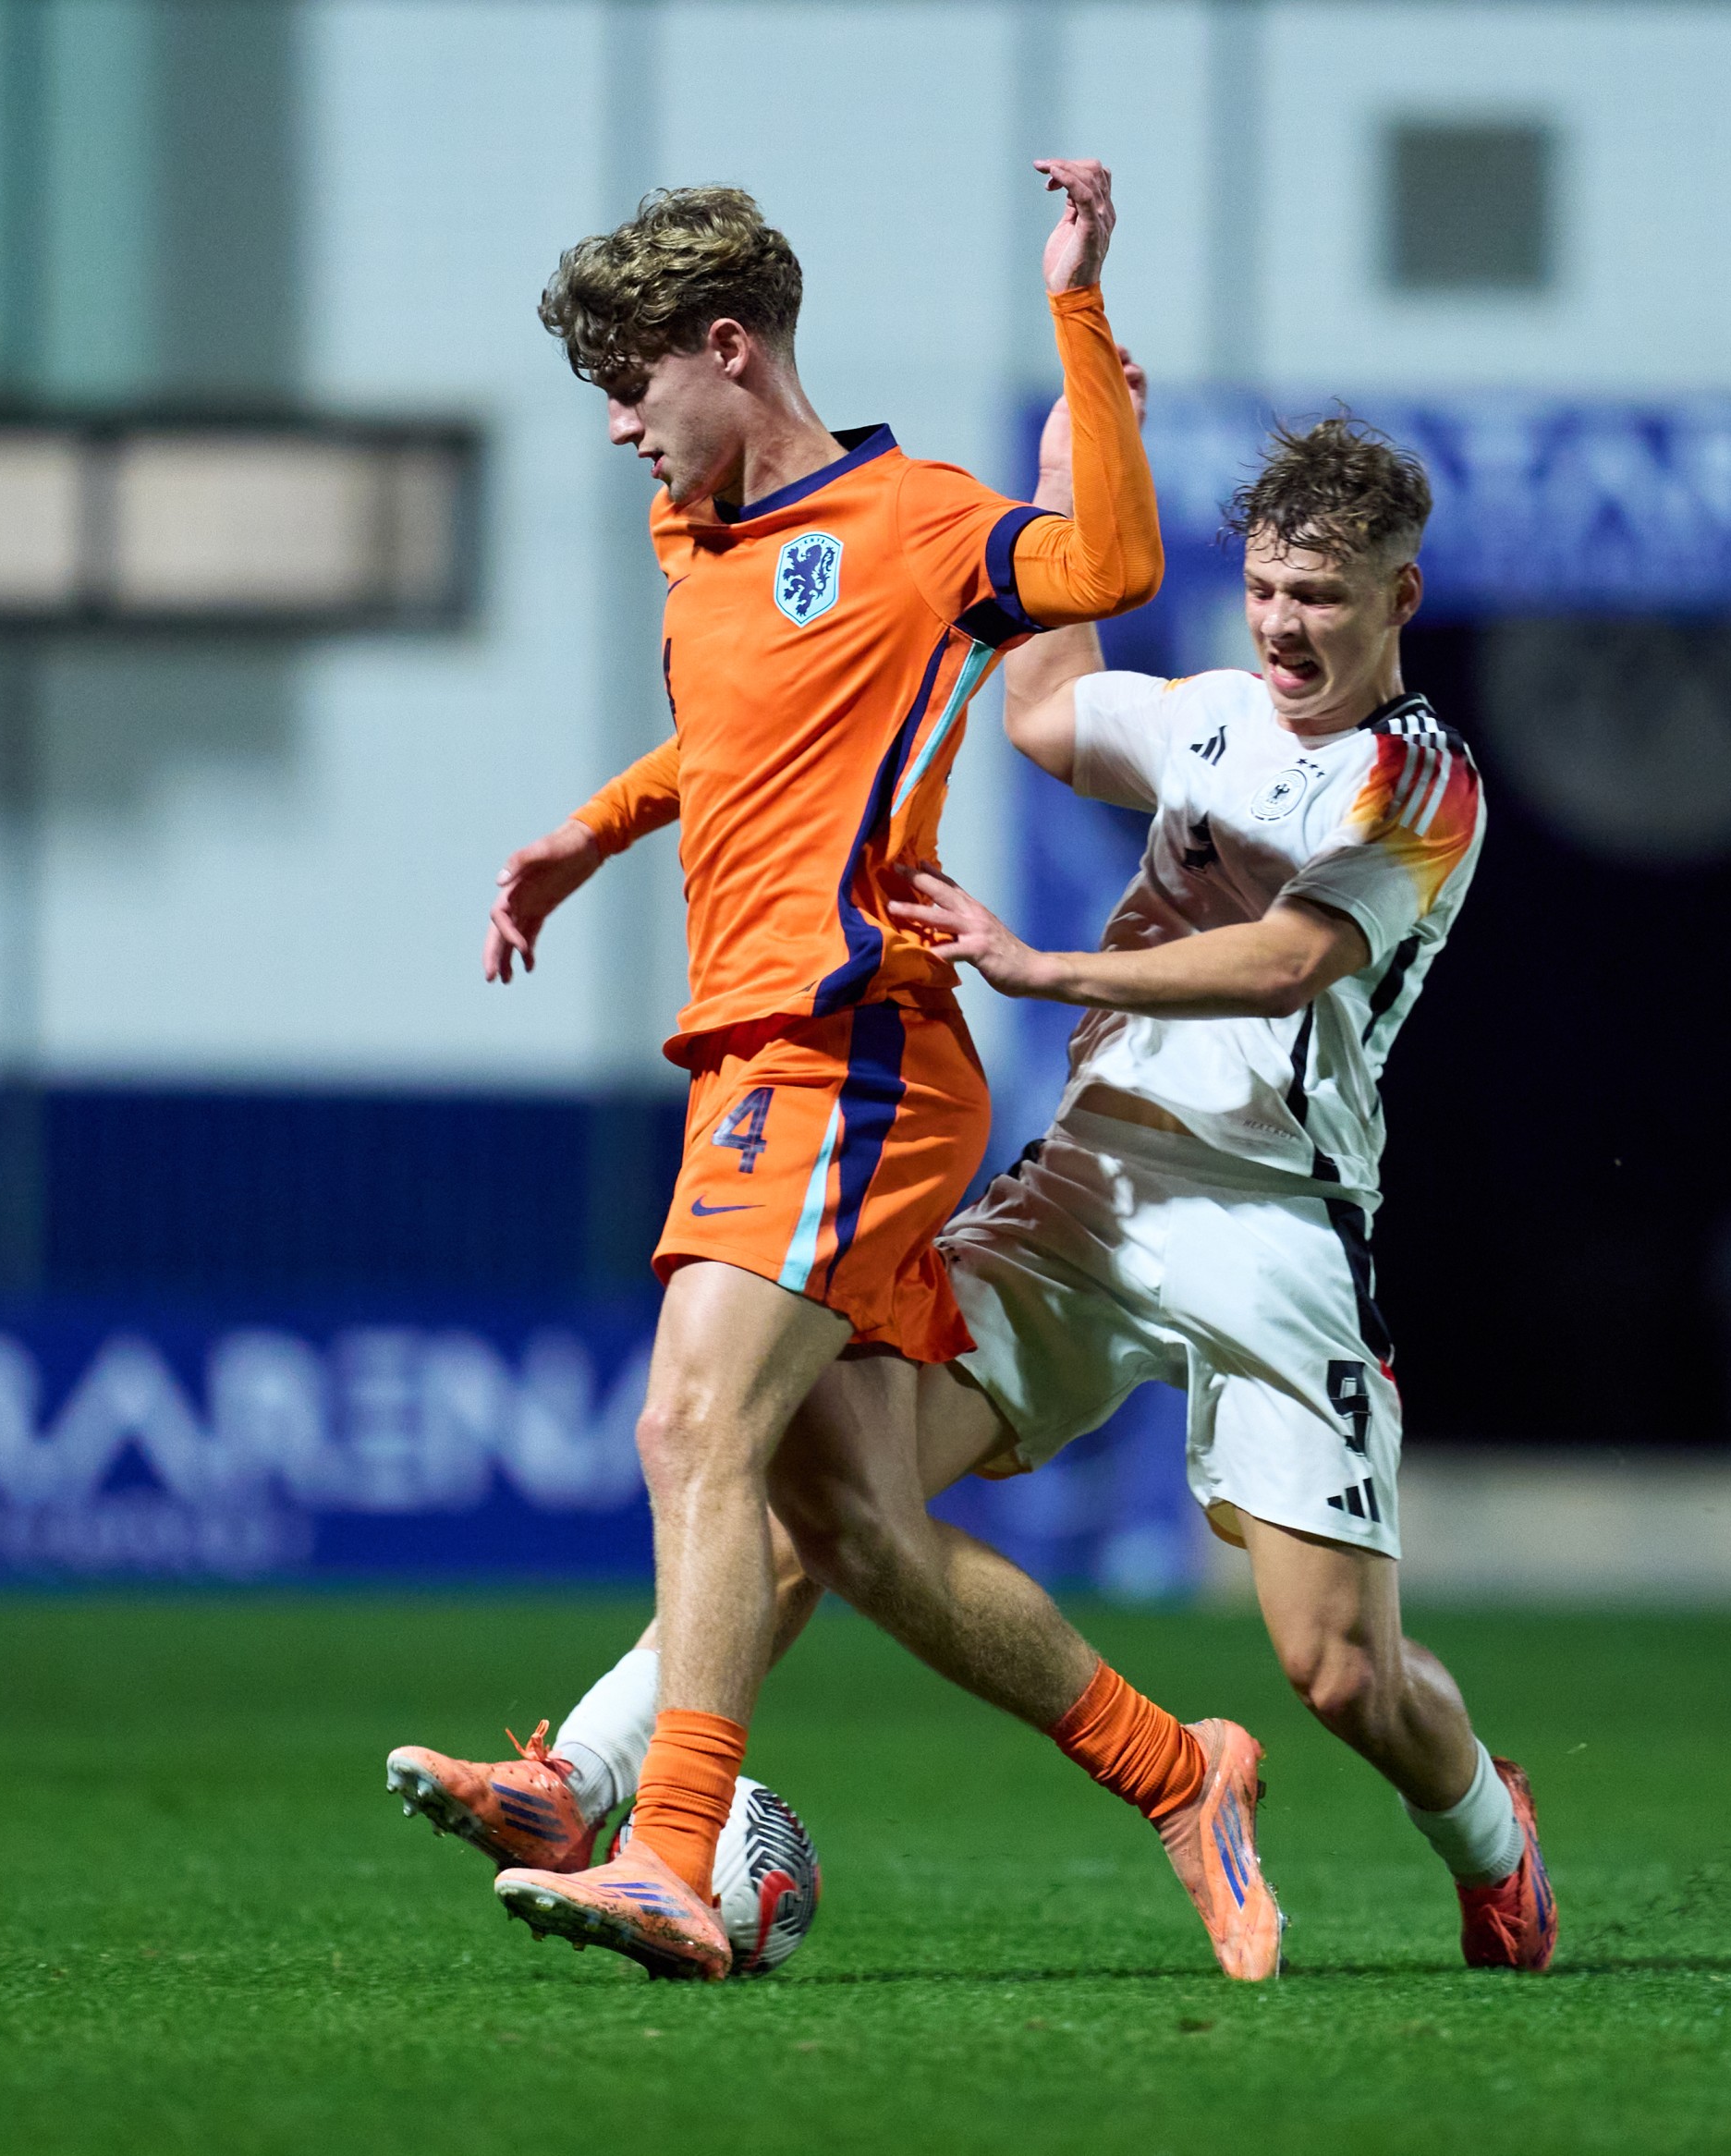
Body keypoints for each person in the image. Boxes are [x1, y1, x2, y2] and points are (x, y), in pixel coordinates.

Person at [413, 401, 1556, 1974]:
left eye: (1326, 598)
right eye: (1271, 591)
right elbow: (1047, 702)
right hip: (1084, 1196)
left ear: (1399, 601)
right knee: (828, 1478)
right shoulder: (1213, 711)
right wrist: (1064, 478)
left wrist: (1044, 962)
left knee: (1342, 1673)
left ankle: (1492, 1840)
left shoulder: (1422, 788)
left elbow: (1292, 956)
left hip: (1278, 1227)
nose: (1288, 626)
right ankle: (584, 1783)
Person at [388, 166, 1282, 1986]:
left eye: (636, 382)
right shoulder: (691, 542)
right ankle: (1180, 1768)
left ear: (733, 347)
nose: (623, 425)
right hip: (753, 1056)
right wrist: (588, 831)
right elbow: (730, 738)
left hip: (853, 1051)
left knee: (684, 1427)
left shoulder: (911, 522)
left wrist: (1079, 316)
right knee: (855, 1526)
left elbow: (1102, 564)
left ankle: (657, 1841)